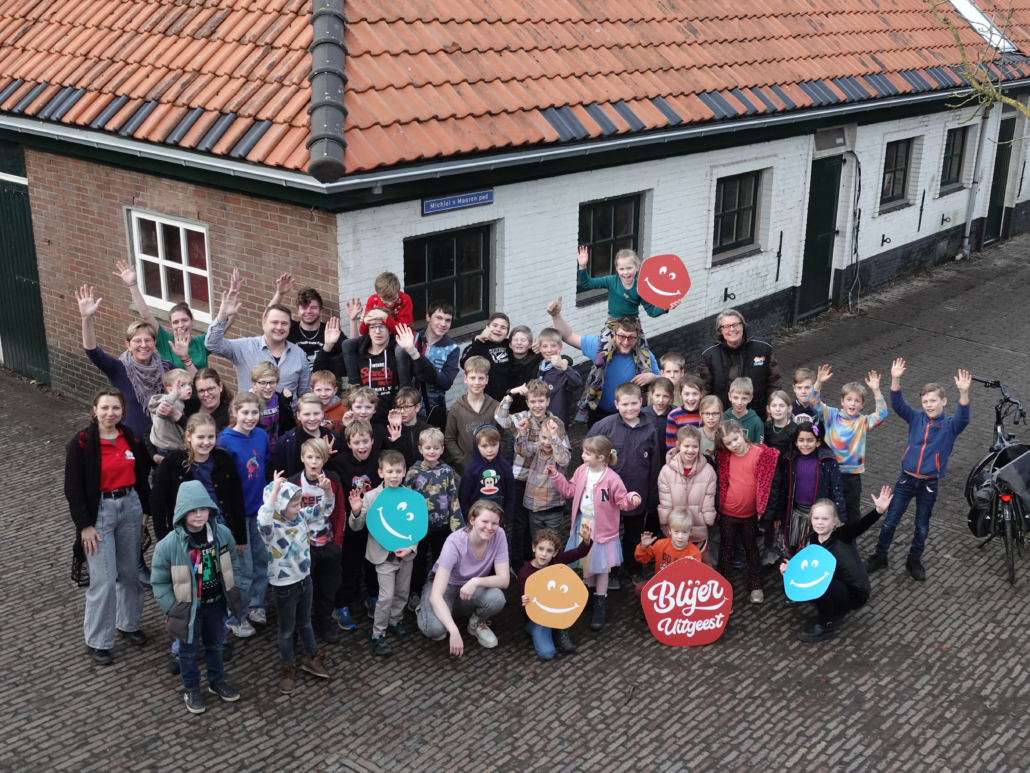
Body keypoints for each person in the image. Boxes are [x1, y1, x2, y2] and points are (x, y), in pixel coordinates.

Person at [65, 388, 152, 665]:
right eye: (104, 408)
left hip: (130, 506)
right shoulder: (81, 443)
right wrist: (84, 525)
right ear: (95, 410)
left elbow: (141, 474)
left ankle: (128, 624)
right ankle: (98, 641)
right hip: (99, 512)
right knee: (103, 580)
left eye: (115, 408)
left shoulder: (127, 435)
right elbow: (73, 489)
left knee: (130, 572)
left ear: (122, 411)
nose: (110, 413)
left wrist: (145, 510)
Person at [866, 362, 971, 582]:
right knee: (890, 520)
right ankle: (880, 555)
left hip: (929, 484)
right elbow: (898, 404)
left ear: (944, 401)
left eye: (933, 401)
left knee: (922, 524)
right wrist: (895, 379)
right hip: (906, 480)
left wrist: (964, 393)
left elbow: (963, 417)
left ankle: (914, 560)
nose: (928, 405)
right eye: (925, 402)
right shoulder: (916, 418)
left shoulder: (951, 425)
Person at [151, 481, 243, 713]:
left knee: (216, 645)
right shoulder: (168, 545)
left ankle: (216, 681)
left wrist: (234, 588)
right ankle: (191, 688)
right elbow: (159, 582)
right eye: (193, 511)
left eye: (203, 509)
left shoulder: (222, 534)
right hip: (188, 610)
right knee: (188, 651)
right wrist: (173, 608)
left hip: (215, 604)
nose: (199, 515)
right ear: (182, 513)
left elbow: (234, 563)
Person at [574, 246, 679, 421]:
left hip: (633, 326)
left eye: (629, 268)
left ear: (637, 267)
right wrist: (583, 267)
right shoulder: (611, 281)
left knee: (644, 361)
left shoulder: (641, 287)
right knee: (600, 360)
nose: (625, 272)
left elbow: (651, 311)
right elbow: (587, 284)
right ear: (616, 269)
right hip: (613, 324)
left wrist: (666, 306)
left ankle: (642, 404)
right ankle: (586, 403)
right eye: (621, 268)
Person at [549, 435, 641, 631]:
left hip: (603, 530)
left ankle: (600, 602)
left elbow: (622, 500)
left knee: (602, 568)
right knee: (588, 564)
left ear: (600, 457)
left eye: (587, 453)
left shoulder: (611, 478)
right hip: (584, 526)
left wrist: (632, 498)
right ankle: (589, 597)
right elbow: (570, 490)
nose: (582, 456)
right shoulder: (582, 470)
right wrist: (556, 477)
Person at [782, 488, 894, 642]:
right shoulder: (813, 539)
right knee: (802, 584)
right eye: (816, 518)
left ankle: (826, 626)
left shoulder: (842, 535)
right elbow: (809, 567)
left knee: (818, 586)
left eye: (825, 519)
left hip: (856, 593)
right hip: (837, 584)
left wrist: (878, 511)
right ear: (811, 520)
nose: (820, 522)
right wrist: (790, 570)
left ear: (834, 521)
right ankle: (836, 608)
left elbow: (861, 525)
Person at [258, 472, 333, 693]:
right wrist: (274, 493)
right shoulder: (271, 528)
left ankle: (312, 656)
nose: (299, 508)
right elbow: (262, 520)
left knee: (305, 622)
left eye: (299, 504)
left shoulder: (300, 517)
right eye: (293, 505)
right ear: (279, 506)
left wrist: (327, 490)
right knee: (286, 630)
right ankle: (287, 665)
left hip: (305, 580)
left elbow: (324, 509)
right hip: (284, 587)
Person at [585, 382, 662, 586]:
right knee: (608, 536)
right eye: (625, 404)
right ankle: (610, 571)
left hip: (637, 495)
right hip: (608, 498)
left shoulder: (649, 429)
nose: (630, 408)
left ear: (642, 401)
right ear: (616, 404)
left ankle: (634, 568)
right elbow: (587, 455)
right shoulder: (603, 427)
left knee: (634, 534)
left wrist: (651, 498)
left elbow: (654, 465)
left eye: (634, 403)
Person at [75, 284, 173, 440]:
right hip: (132, 442)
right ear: (128, 345)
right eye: (137, 341)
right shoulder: (118, 369)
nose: (143, 345)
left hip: (164, 442)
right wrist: (87, 319)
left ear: (154, 343)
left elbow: (189, 384)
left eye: (148, 340)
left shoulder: (166, 367)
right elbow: (92, 351)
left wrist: (185, 358)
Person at [546, 296, 660, 426]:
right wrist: (556, 316)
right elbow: (569, 336)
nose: (626, 342)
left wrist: (653, 377)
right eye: (621, 336)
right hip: (600, 415)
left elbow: (663, 381)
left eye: (631, 338)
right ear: (614, 335)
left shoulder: (645, 356)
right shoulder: (599, 347)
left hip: (631, 415)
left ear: (638, 337)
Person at [417, 500, 510, 656]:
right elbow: (436, 595)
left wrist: (476, 581)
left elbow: (504, 580)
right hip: (446, 586)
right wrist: (454, 632)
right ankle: (424, 608)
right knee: (436, 631)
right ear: (472, 520)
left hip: (470, 587)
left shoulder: (499, 535)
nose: (490, 527)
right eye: (485, 521)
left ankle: (475, 622)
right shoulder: (454, 542)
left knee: (497, 598)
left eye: (494, 523)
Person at [348, 450, 417, 656]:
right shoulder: (370, 496)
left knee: (402, 592)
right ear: (380, 473)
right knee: (385, 597)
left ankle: (396, 621)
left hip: (405, 555)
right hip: (383, 555)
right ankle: (378, 634)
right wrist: (356, 511)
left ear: (404, 472)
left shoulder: (411, 496)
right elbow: (357, 526)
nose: (394, 475)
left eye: (398, 471)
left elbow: (416, 527)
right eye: (390, 471)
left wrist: (411, 548)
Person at [113, 259, 236, 371]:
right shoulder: (165, 341)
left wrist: (231, 305)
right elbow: (146, 315)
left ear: (192, 320)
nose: (181, 325)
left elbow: (223, 326)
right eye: (176, 322)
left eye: (184, 320)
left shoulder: (201, 342)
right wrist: (133, 285)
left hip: (202, 389)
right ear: (171, 324)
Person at [810, 364, 889, 525]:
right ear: (842, 401)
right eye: (849, 399)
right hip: (829, 471)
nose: (852, 404)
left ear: (862, 404)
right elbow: (813, 401)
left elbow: (882, 414)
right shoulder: (831, 415)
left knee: (851, 512)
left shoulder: (863, 422)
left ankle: (850, 538)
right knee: (826, 508)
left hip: (851, 476)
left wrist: (876, 390)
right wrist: (819, 382)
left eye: (857, 401)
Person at [217, 392, 271, 630]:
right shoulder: (224, 441)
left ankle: (256, 604)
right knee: (243, 569)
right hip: (238, 515)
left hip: (259, 511)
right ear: (234, 413)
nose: (250, 417)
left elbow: (265, 467)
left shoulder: (261, 435)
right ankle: (235, 616)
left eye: (254, 412)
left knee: (262, 562)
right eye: (245, 412)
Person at [205, 284, 311, 402]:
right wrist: (222, 316)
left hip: (287, 414)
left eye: (284, 323)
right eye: (274, 322)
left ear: (290, 325)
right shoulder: (244, 347)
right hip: (252, 413)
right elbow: (212, 344)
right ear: (264, 323)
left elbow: (304, 395)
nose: (279, 327)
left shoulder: (299, 354)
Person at [764, 420, 847, 568]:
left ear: (818, 442)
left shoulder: (828, 461)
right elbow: (783, 490)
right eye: (801, 440)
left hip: (818, 517)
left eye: (810, 440)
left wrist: (840, 517)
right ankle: (794, 574)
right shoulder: (788, 460)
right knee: (793, 548)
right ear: (795, 442)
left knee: (814, 551)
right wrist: (778, 515)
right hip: (794, 514)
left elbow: (837, 490)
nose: (805, 444)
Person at [495, 379, 560, 569]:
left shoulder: (554, 423)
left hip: (542, 481)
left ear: (548, 401)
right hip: (521, 479)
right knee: (520, 523)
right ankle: (517, 564)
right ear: (527, 402)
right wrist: (512, 393)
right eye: (533, 401)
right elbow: (500, 417)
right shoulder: (521, 418)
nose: (537, 405)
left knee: (536, 524)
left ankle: (533, 558)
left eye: (541, 401)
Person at [288, 438, 346, 644]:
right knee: (301, 589)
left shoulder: (333, 480)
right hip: (304, 546)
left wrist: (338, 541)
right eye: (310, 457)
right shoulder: (293, 483)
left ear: (325, 459)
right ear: (302, 458)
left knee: (328, 587)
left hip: (328, 543)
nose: (314, 462)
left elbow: (340, 510)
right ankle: (297, 628)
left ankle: (323, 622)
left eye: (318, 458)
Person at [715, 420, 779, 604]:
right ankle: (724, 584)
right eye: (728, 443)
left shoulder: (761, 455)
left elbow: (771, 489)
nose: (734, 445)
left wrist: (766, 518)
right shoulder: (724, 457)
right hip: (727, 513)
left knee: (751, 549)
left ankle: (756, 585)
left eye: (736, 439)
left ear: (742, 433)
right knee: (726, 549)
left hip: (750, 515)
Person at [331, 420, 384, 630]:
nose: (362, 446)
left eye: (365, 441)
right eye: (356, 442)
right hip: (351, 524)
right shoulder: (339, 462)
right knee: (350, 567)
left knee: (374, 564)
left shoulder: (379, 459)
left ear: (372, 441)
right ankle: (341, 605)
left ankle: (373, 597)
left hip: (375, 523)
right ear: (348, 444)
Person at [404, 428, 463, 611]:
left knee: (441, 560)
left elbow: (453, 497)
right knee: (418, 561)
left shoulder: (447, 471)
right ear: (420, 449)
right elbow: (406, 500)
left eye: (436, 448)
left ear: (442, 449)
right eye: (428, 447)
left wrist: (458, 526)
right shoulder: (412, 473)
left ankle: (439, 592)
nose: (432, 451)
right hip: (419, 528)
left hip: (442, 526)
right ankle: (415, 592)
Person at [517, 523, 593, 660]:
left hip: (557, 605)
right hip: (538, 615)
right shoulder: (524, 573)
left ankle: (561, 629)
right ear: (534, 548)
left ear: (555, 553)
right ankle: (532, 627)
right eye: (541, 549)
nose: (544, 554)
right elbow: (523, 606)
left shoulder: (557, 561)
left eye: (549, 551)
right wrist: (524, 603)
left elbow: (578, 553)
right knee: (547, 653)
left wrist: (586, 541)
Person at [699, 309, 781, 422]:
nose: (732, 329)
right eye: (726, 326)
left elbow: (774, 382)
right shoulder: (710, 353)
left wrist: (772, 411)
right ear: (720, 330)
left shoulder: (763, 347)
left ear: (743, 326)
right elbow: (706, 388)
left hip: (757, 416)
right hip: (725, 418)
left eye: (736, 324)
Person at [268, 274, 359, 375]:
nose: (308, 311)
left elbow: (352, 352)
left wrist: (353, 320)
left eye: (313, 307)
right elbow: (268, 317)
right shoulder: (290, 327)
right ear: (297, 311)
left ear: (320, 311)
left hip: (322, 383)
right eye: (304, 308)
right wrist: (279, 294)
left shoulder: (330, 331)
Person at [334, 271, 414, 383]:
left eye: (393, 298)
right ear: (378, 294)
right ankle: (354, 384)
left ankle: (405, 386)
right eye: (385, 299)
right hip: (378, 335)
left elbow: (403, 332)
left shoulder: (405, 299)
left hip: (400, 337)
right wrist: (365, 322)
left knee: (400, 351)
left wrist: (385, 317)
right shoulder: (373, 300)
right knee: (347, 344)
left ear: (398, 291)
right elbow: (363, 332)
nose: (390, 303)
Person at [657, 426, 717, 563]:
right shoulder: (666, 471)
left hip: (698, 526)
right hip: (675, 528)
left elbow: (709, 498)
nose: (691, 450)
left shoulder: (708, 471)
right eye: (686, 446)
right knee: (673, 563)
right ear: (678, 445)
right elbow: (665, 501)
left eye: (695, 446)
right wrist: (665, 521)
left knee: (702, 563)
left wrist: (707, 519)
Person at [401, 302, 460, 429]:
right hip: (403, 410)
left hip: (431, 412)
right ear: (428, 317)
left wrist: (416, 357)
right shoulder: (412, 338)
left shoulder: (451, 348)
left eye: (448, 320)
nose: (443, 324)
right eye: (439, 318)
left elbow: (445, 382)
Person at [515, 416, 571, 544]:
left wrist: (555, 437)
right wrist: (522, 432)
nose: (546, 442)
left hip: (553, 507)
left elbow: (563, 460)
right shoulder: (538, 447)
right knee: (537, 541)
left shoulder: (563, 452)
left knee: (554, 542)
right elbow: (522, 451)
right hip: (534, 507)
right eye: (544, 437)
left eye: (551, 439)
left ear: (561, 439)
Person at [444, 356, 502, 474]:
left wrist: (498, 461)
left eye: (481, 378)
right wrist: (463, 461)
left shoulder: (496, 406)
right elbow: (449, 439)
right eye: (472, 378)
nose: (476, 382)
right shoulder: (456, 408)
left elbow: (504, 437)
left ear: (487, 379)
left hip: (491, 470)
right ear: (465, 379)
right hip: (465, 472)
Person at [267, 394, 338, 480]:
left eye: (316, 413)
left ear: (322, 413)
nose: (312, 418)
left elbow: (340, 473)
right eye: (307, 414)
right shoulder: (286, 441)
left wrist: (327, 457)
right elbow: (275, 473)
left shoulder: (333, 438)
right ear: (298, 416)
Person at [634, 508, 703, 594]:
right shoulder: (660, 544)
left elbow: (695, 579)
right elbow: (641, 559)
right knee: (639, 588)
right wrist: (643, 547)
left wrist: (692, 567)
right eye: (676, 531)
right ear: (669, 530)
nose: (680, 536)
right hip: (661, 583)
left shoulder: (694, 553)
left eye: (684, 532)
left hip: (680, 588)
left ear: (690, 532)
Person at [458, 426, 516, 524]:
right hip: (476, 521)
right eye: (484, 446)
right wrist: (468, 520)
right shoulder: (470, 470)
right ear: (476, 446)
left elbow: (510, 495)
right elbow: (463, 499)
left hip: (499, 521)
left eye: (494, 445)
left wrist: (505, 519)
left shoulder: (505, 468)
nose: (490, 450)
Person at [460, 313, 515, 402]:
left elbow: (524, 353)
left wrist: (533, 348)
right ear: (487, 328)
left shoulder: (510, 345)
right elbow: (463, 363)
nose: (498, 329)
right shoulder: (479, 346)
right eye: (495, 325)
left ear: (506, 334)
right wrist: (479, 340)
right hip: (486, 401)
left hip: (509, 399)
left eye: (503, 328)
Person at [535, 327, 582, 427]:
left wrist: (565, 367)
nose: (549, 350)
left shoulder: (562, 370)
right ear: (540, 348)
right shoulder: (540, 366)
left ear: (560, 347)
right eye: (545, 346)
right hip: (541, 417)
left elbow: (578, 383)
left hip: (558, 419)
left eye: (553, 346)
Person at [250, 362, 295, 453]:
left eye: (272, 382)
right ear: (254, 384)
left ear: (277, 383)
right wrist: (249, 404)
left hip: (279, 450)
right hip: (257, 450)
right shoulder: (249, 402)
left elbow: (290, 426)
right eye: (263, 383)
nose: (268, 387)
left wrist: (286, 403)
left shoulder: (280, 399)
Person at [147, 369, 192, 459]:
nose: (188, 387)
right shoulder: (168, 400)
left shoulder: (180, 403)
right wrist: (174, 395)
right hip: (168, 450)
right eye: (182, 385)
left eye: (189, 384)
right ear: (170, 390)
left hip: (174, 446)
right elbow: (161, 410)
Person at [181, 367, 234, 432]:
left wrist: (178, 416)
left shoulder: (229, 413)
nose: (206, 394)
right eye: (201, 391)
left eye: (211, 389)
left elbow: (203, 433)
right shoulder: (189, 405)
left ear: (220, 386)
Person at [390, 386, 430, 469]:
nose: (402, 411)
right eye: (398, 407)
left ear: (417, 407)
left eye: (406, 407)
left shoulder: (428, 430)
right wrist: (397, 439)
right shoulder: (392, 431)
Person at [665, 374, 705, 448]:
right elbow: (671, 445)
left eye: (695, 394)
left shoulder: (705, 414)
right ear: (680, 395)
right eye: (687, 394)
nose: (691, 398)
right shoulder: (673, 416)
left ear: (701, 394)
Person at [723, 376, 765, 443]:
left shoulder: (756, 422)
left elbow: (760, 446)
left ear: (750, 399)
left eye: (744, 398)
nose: (739, 402)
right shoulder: (723, 418)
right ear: (729, 396)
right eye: (736, 398)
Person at [763, 390, 800, 456]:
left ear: (789, 408)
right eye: (774, 406)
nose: (777, 409)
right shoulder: (765, 427)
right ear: (768, 409)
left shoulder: (795, 429)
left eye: (782, 406)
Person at [311, 370, 346, 434]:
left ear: (335, 391)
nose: (323, 394)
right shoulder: (307, 411)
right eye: (318, 390)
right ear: (312, 391)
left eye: (327, 389)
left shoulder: (343, 411)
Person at [641, 376, 674, 442]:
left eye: (665, 396)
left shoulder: (674, 413)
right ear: (651, 394)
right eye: (657, 395)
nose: (661, 400)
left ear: (671, 397)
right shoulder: (643, 413)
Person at [698, 395, 723, 465]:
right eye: (707, 413)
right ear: (701, 414)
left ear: (720, 414)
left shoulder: (725, 434)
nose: (711, 417)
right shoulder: (696, 434)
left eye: (715, 413)